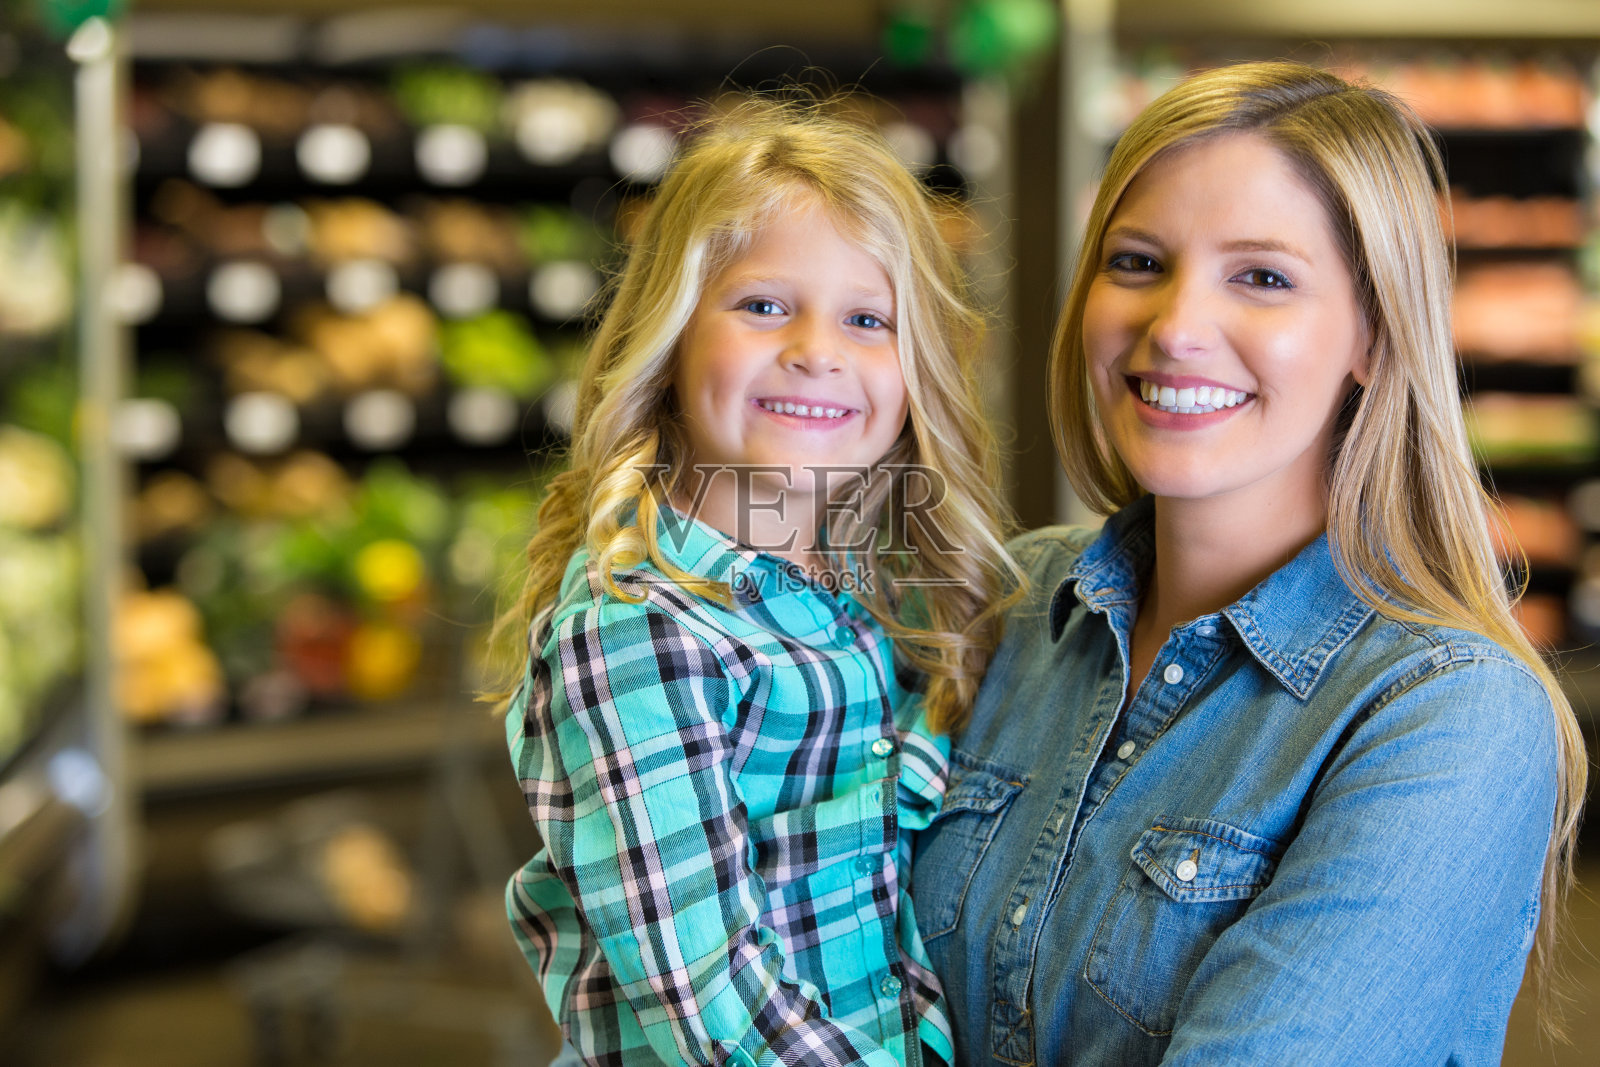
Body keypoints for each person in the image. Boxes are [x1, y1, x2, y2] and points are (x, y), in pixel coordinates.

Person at [913, 60, 1586, 1066]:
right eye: (1137, 262)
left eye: (1262, 277)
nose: (1175, 327)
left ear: (1372, 330)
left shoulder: (1447, 715)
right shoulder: (1007, 604)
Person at [496, 94, 1019, 1066]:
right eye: (763, 305)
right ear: (666, 341)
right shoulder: (637, 628)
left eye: (868, 319)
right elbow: (710, 1000)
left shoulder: (857, 580)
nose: (816, 350)